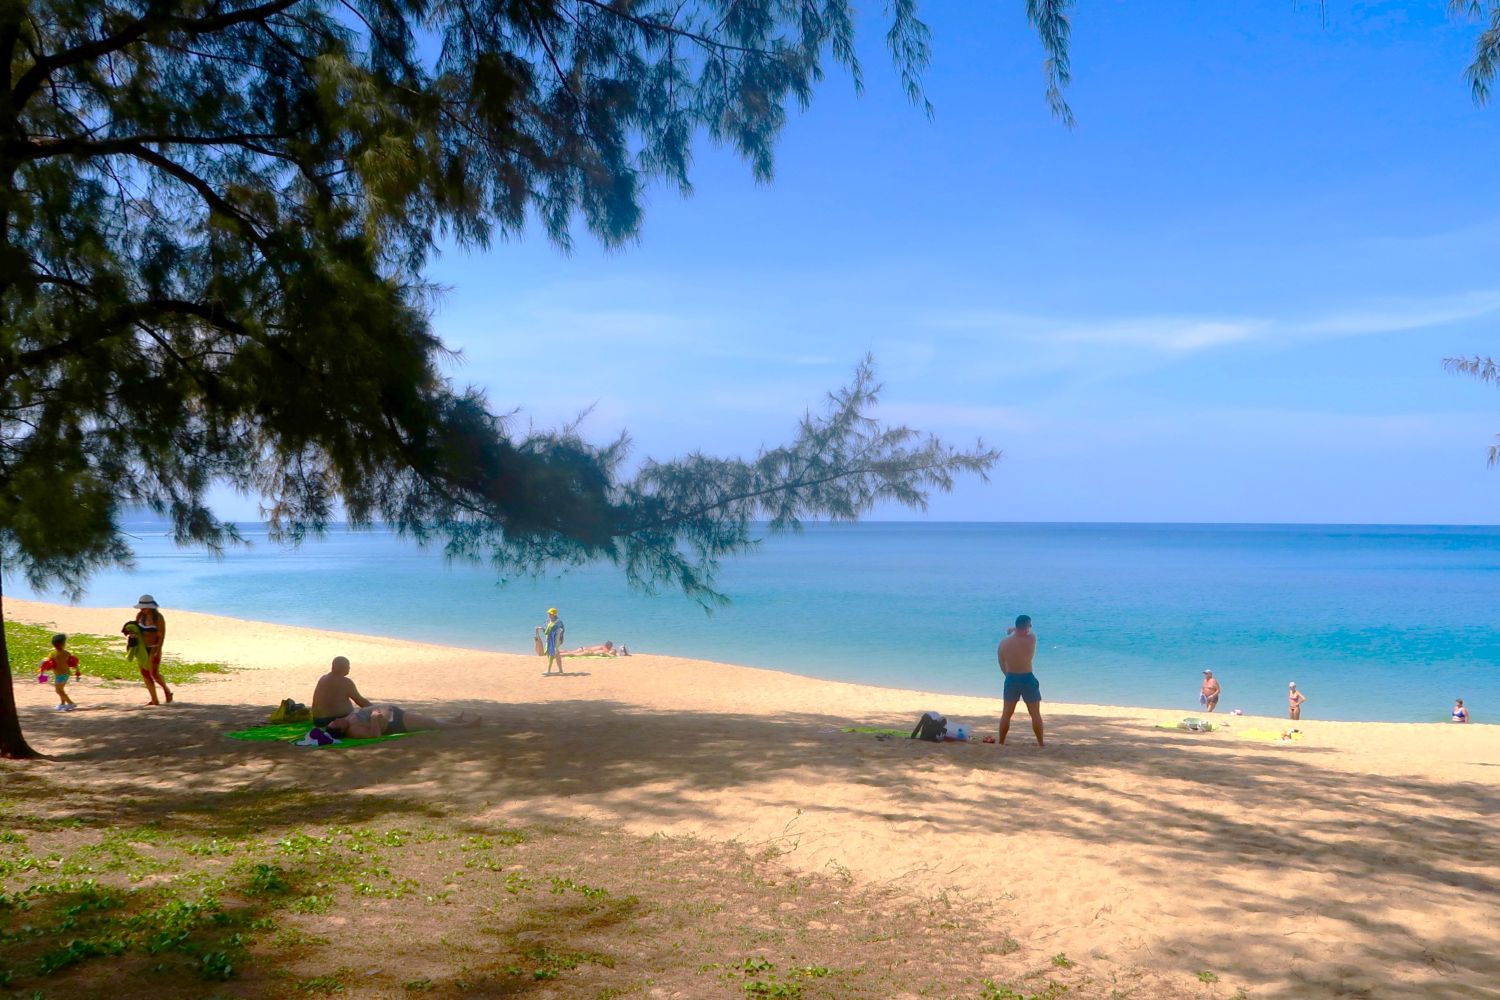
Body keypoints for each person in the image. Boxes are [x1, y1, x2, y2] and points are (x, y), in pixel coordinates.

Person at [997, 614, 1044, 747]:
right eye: (1030, 625)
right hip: (1027, 677)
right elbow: (1029, 632)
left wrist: (1007, 675)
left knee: (1006, 713)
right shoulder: (1031, 639)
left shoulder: (1004, 643)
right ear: (1026, 627)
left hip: (1011, 678)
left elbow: (1001, 662)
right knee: (1035, 713)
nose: (1031, 627)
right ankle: (1040, 743)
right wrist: (1014, 629)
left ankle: (1001, 742)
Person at [324, 704, 483, 739]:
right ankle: (465, 726)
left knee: (427, 720)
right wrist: (373, 718)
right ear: (342, 730)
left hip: (394, 713)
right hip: (395, 721)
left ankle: (452, 720)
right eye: (336, 723)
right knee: (430, 723)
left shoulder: (347, 720)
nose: (337, 719)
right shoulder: (353, 730)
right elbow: (375, 735)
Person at [131, 594, 174, 705]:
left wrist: (158, 650)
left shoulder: (158, 618)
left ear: (150, 607)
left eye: (144, 607)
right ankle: (154, 699)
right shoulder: (139, 616)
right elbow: (137, 630)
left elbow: (161, 635)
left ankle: (166, 690)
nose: (141, 609)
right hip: (142, 648)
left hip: (154, 648)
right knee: (145, 673)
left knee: (154, 673)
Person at [311, 655, 373, 727]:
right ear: (343, 667)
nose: (349, 668)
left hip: (317, 720)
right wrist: (375, 709)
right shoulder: (345, 682)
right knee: (368, 716)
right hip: (332, 720)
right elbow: (360, 701)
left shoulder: (323, 678)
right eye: (348, 666)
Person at [44, 633, 79, 712]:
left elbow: (48, 664)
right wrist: (77, 671)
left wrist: (43, 670)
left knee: (58, 690)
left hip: (60, 675)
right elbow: (74, 663)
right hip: (65, 674)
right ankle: (62, 704)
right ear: (63, 644)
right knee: (61, 690)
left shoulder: (52, 654)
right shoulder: (67, 653)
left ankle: (70, 703)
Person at [538, 607, 565, 675]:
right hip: (549, 640)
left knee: (552, 654)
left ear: (554, 614)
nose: (549, 615)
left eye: (551, 614)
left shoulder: (558, 622)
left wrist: (560, 640)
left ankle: (549, 670)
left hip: (555, 641)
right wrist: (541, 629)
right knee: (554, 654)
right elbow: (547, 631)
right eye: (549, 613)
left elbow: (561, 632)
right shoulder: (549, 621)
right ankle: (560, 670)